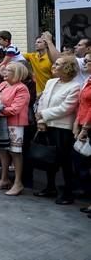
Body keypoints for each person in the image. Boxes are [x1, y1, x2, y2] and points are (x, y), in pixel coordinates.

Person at [34, 56, 80, 204]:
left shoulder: (75, 86)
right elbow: (42, 101)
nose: (54, 66)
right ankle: (50, 187)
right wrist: (41, 121)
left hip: (62, 128)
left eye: (58, 64)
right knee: (49, 159)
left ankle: (68, 193)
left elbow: (66, 108)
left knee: (65, 161)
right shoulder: (50, 82)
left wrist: (43, 115)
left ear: (67, 68)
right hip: (47, 125)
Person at [0, 62, 31, 196]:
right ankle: (4, 179)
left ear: (17, 73)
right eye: (5, 70)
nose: (4, 73)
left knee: (15, 152)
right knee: (2, 151)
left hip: (15, 124)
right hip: (1, 122)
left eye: (8, 71)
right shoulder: (3, 85)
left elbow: (15, 109)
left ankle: (18, 182)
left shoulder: (22, 88)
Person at [74, 52, 91, 216]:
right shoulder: (87, 81)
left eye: (88, 61)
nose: (84, 63)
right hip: (82, 123)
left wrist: (85, 128)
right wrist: (76, 124)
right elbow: (82, 104)